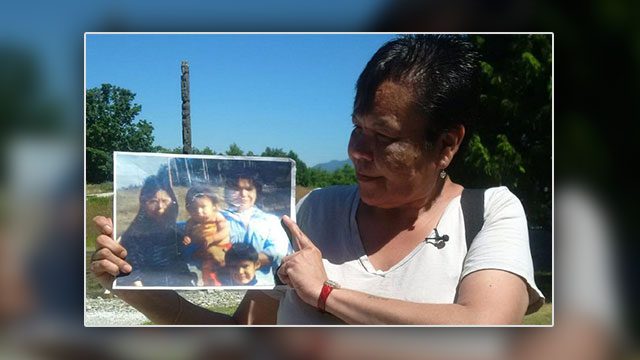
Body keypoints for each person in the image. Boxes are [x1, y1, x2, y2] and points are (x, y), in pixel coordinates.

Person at [91, 35, 544, 324]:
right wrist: (136, 287)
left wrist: (326, 293)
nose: (357, 151)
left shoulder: (489, 213)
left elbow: (483, 329)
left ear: (446, 144)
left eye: (383, 135)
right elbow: (245, 336)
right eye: (356, 126)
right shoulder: (311, 212)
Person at [114, 174, 195, 287]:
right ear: (143, 203)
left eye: (165, 201)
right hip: (152, 290)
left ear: (172, 202)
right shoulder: (134, 235)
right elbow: (134, 274)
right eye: (153, 201)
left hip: (182, 287)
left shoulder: (179, 231)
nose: (160, 206)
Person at [221, 173, 292, 285]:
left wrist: (237, 262)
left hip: (262, 287)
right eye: (236, 189)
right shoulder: (215, 219)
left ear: (256, 192)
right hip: (223, 286)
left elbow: (278, 252)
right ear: (227, 192)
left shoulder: (271, 221)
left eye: (249, 189)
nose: (243, 194)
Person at [181, 185, 231, 286]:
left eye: (203, 207)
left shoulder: (217, 216)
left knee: (226, 265)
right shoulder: (191, 222)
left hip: (222, 247)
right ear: (189, 209)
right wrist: (187, 238)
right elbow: (187, 234)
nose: (199, 212)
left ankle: (227, 281)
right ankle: (209, 283)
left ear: (214, 206)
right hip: (205, 251)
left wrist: (213, 238)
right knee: (207, 268)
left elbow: (225, 230)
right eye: (194, 209)